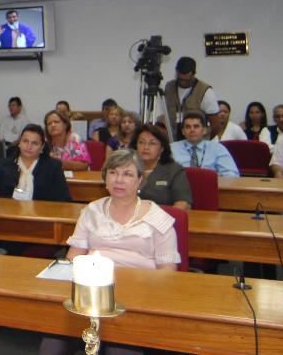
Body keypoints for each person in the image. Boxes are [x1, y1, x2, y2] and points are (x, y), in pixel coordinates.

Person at [39, 150, 179, 355]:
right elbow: (73, 258)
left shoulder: (158, 217)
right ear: (105, 178)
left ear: (140, 180)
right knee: (51, 346)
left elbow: (168, 272)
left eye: (128, 174)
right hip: (90, 295)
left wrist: (142, 291)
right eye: (113, 172)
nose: (119, 180)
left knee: (119, 349)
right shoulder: (91, 211)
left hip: (136, 298)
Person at [0, 124, 71, 202]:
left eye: (34, 143)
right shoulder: (4, 164)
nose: (29, 146)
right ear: (19, 143)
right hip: (9, 214)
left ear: (42, 147)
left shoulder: (53, 167)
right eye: (25, 141)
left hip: (41, 216)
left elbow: (64, 199)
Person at [132, 124, 192, 210]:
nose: (145, 147)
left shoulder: (174, 170)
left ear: (162, 148)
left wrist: (166, 220)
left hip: (164, 219)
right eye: (141, 142)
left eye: (152, 143)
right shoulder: (127, 168)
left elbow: (183, 203)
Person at [162, 57, 223, 140]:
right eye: (180, 79)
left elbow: (216, 124)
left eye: (186, 80)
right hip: (174, 140)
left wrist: (207, 142)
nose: (183, 82)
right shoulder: (169, 87)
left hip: (198, 141)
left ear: (194, 74)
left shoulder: (205, 91)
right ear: (176, 72)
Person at [170, 112, 239, 177]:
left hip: (209, 187)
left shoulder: (217, 149)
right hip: (180, 187)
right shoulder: (172, 148)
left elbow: (232, 174)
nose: (192, 130)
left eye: (196, 126)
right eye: (188, 127)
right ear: (183, 131)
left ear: (204, 130)